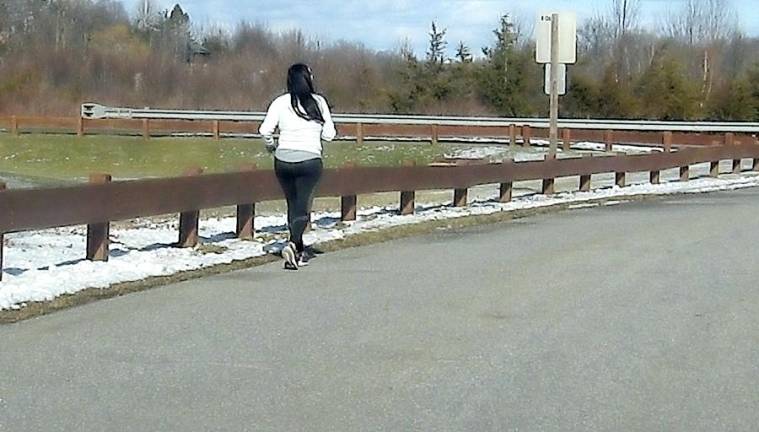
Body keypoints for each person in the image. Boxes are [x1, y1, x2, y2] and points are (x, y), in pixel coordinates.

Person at [259, 63, 336, 270]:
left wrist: (271, 146)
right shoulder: (318, 102)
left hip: (283, 160)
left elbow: (265, 130)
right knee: (302, 206)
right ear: (308, 79)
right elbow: (330, 134)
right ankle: (293, 243)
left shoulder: (280, 102)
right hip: (310, 160)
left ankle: (298, 252)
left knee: (292, 204)